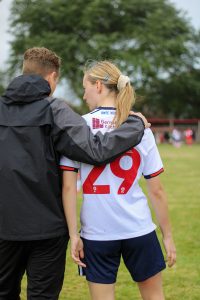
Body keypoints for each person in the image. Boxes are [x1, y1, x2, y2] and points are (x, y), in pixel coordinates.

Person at [0, 48, 148, 300]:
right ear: (52, 77)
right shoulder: (55, 109)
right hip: (46, 229)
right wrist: (135, 125)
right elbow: (96, 149)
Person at [60, 60, 176, 300]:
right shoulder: (140, 126)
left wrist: (73, 234)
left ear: (99, 86)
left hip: (96, 233)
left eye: (85, 87)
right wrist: (167, 236)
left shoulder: (76, 127)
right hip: (139, 228)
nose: (83, 95)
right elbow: (157, 191)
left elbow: (69, 187)